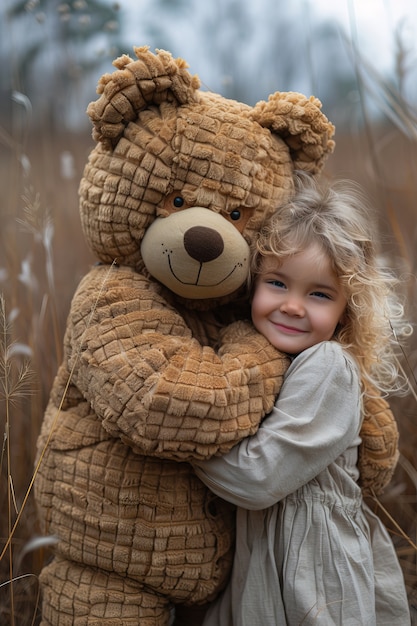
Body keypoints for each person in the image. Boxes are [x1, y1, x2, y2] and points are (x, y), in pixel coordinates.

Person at [193, 174, 412, 625]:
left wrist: (174, 442)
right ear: (253, 283)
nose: (293, 306)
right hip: (266, 564)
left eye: (318, 294)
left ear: (346, 309)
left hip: (316, 577)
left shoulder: (329, 366)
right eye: (277, 283)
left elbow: (257, 477)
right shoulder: (267, 362)